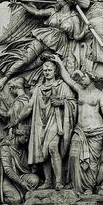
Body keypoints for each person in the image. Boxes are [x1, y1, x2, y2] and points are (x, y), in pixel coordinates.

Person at [26, 58, 76, 190]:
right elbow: (29, 106)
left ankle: (58, 181)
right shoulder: (38, 88)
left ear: (55, 71)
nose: (47, 72)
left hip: (57, 121)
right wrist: (16, 119)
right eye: (44, 70)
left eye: (49, 70)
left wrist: (62, 103)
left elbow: (73, 102)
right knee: (43, 151)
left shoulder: (62, 85)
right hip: (40, 123)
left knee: (52, 147)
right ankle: (48, 181)